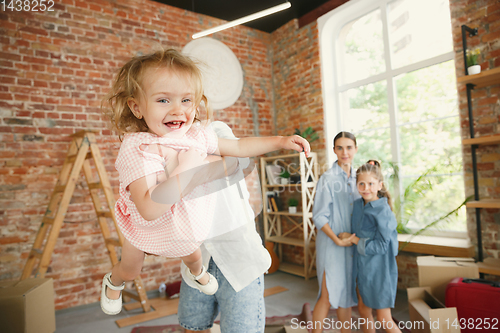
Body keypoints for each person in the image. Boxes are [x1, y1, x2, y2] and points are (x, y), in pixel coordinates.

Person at [99, 48, 310, 316]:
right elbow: (150, 209)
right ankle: (113, 282)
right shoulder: (138, 147)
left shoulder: (197, 135)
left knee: (194, 254)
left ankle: (198, 273)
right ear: (136, 107)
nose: (178, 110)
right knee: (131, 268)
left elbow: (239, 146)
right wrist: (187, 168)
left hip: (185, 224)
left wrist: (279, 141)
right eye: (163, 100)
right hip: (145, 227)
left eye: (186, 100)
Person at [311, 131, 359, 333]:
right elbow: (319, 216)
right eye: (340, 148)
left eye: (349, 147)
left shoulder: (360, 178)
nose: (345, 152)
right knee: (328, 295)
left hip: (352, 245)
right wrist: (337, 240)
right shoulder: (328, 178)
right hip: (331, 244)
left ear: (355, 149)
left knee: (346, 296)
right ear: (334, 151)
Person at [349, 160, 401, 333]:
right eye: (361, 184)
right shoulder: (358, 205)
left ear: (379, 185)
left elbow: (382, 246)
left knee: (384, 319)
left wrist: (355, 241)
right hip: (362, 267)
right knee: (364, 311)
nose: (366, 188)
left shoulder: (383, 211)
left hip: (380, 270)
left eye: (371, 184)